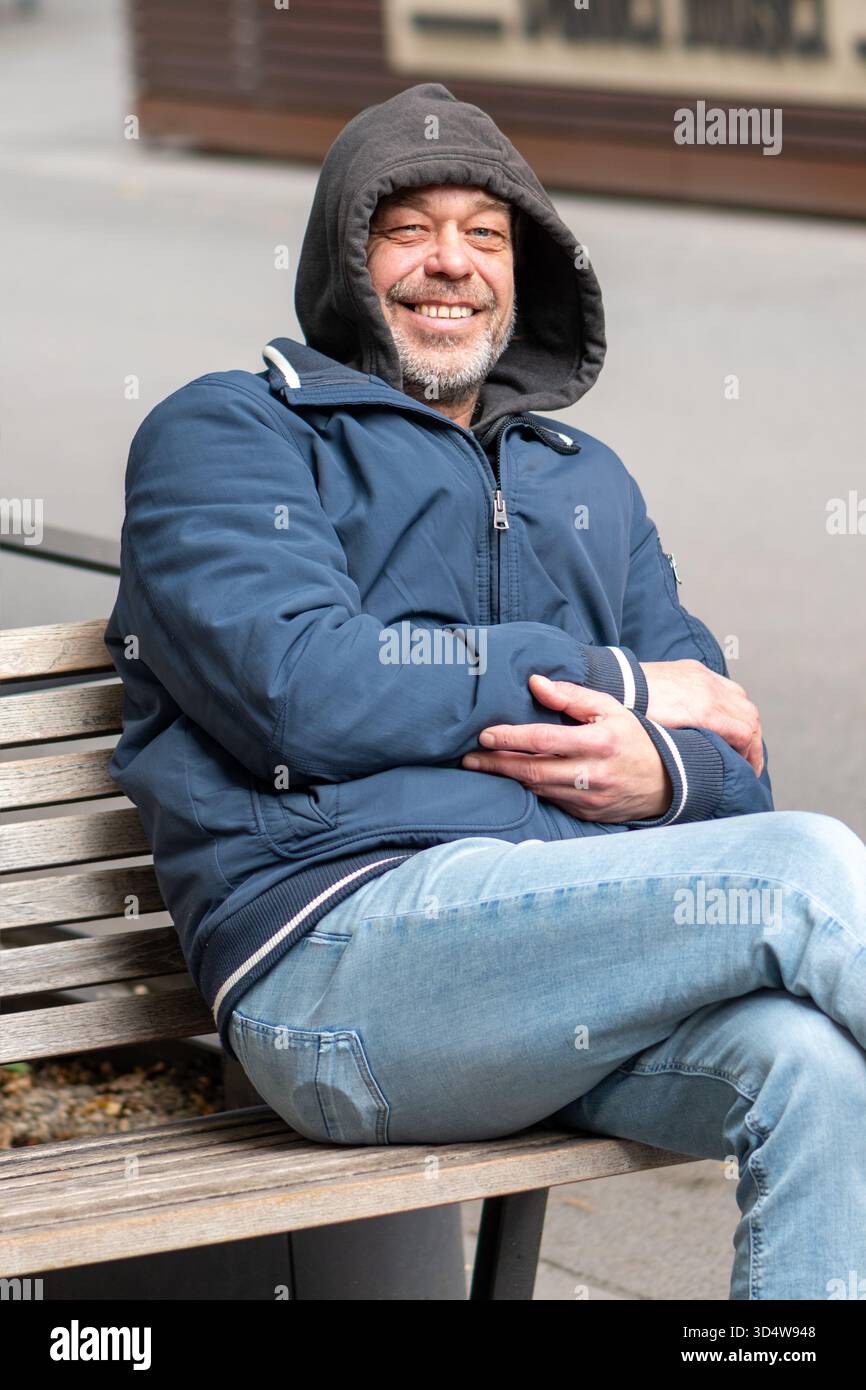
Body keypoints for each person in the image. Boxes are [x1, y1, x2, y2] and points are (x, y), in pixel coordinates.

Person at [105, 83, 866, 1300]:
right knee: (811, 871)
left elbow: (728, 751)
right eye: (407, 229)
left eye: (486, 233)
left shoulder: (586, 483)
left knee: (811, 1066)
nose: (449, 262)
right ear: (347, 261)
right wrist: (607, 682)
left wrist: (654, 770)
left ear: (526, 274)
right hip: (334, 968)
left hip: (552, 975)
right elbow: (301, 688)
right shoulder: (233, 431)